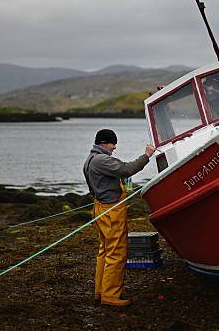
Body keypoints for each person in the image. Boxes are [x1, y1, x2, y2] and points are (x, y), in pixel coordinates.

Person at [83, 128, 155, 307]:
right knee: (116, 252)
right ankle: (110, 295)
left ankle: (100, 291)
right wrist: (146, 155)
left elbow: (120, 175)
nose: (114, 147)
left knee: (105, 250)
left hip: (100, 208)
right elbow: (126, 169)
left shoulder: (90, 159)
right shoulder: (102, 160)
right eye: (112, 143)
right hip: (111, 211)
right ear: (103, 143)